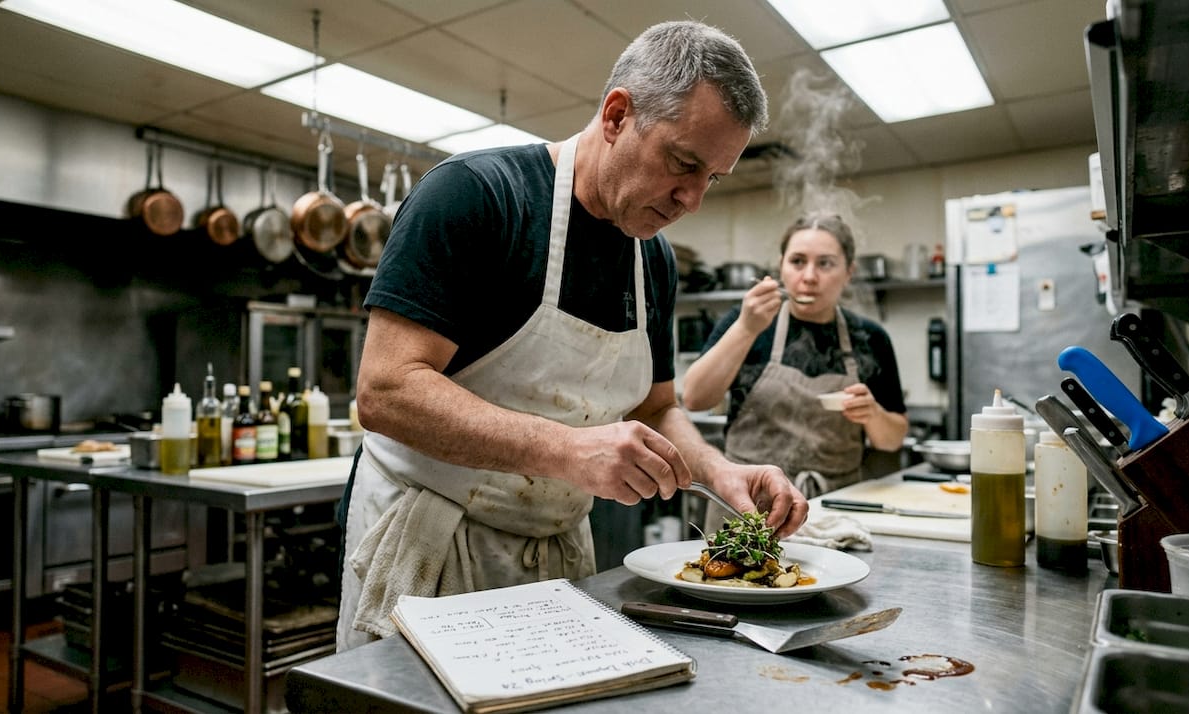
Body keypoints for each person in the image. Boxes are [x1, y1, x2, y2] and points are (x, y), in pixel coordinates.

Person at [335, 20, 809, 650]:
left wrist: (721, 474)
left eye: (711, 179)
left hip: (557, 561)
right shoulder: (479, 197)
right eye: (683, 163)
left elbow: (657, 406)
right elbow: (387, 391)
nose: (692, 199)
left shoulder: (653, 261)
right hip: (430, 554)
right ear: (617, 116)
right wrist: (567, 450)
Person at [681, 213, 908, 531]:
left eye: (826, 263)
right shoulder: (748, 321)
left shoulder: (870, 338)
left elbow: (892, 439)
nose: (810, 276)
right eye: (798, 261)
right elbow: (694, 398)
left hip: (833, 512)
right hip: (747, 505)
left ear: (849, 272)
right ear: (781, 266)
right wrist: (746, 328)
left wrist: (872, 414)